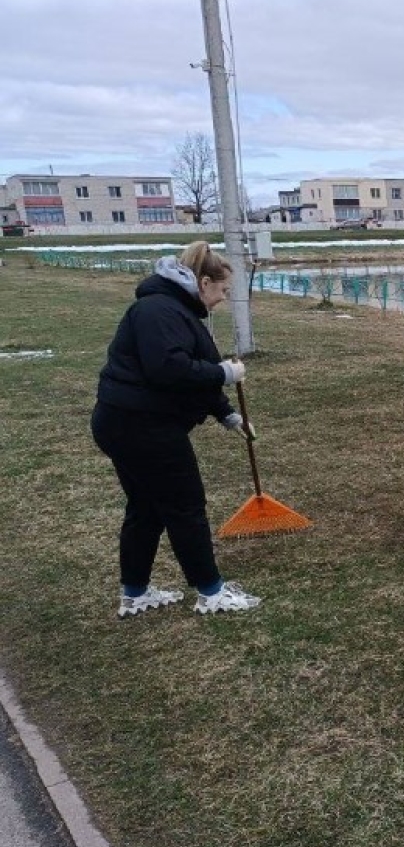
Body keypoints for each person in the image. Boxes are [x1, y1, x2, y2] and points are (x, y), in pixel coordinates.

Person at [91, 240, 261, 617]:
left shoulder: (176, 310)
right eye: (221, 291)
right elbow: (169, 369)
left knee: (147, 508)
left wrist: (227, 414)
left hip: (128, 422)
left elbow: (194, 371)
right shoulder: (158, 310)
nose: (222, 299)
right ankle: (211, 592)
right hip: (141, 426)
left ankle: (134, 594)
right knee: (185, 506)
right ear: (203, 282)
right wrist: (224, 373)